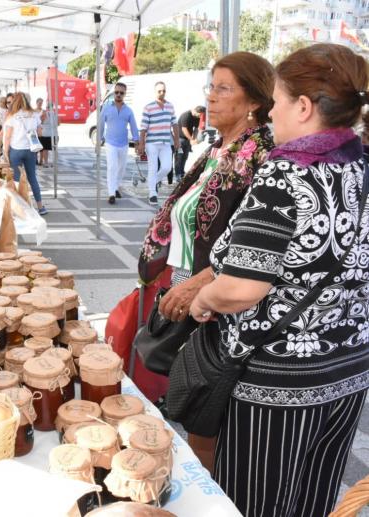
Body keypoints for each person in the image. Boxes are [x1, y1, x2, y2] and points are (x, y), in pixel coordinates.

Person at [189, 43, 369, 517]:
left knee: (253, 503)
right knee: (313, 499)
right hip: (349, 370)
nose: (272, 115)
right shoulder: (362, 166)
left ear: (304, 107)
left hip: (277, 380)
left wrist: (204, 296)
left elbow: (241, 288)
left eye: (279, 102)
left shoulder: (287, 173)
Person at [137, 52, 276, 468]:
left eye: (223, 88)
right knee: (189, 399)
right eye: (210, 87)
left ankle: (213, 496)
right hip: (188, 281)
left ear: (253, 100)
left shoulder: (259, 154)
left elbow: (250, 239)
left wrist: (200, 284)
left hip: (219, 298)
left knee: (205, 414)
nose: (210, 98)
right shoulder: (217, 148)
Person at [3, 92, 47, 215]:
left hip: (15, 150)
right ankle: (41, 206)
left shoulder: (12, 116)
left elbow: (7, 137)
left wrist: (5, 152)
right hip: (30, 151)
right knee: (32, 178)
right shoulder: (34, 115)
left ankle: (19, 208)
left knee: (16, 179)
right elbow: (40, 134)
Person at [138, 82, 178, 204]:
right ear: (155, 92)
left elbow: (175, 124)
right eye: (159, 91)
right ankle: (152, 193)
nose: (162, 93)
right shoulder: (148, 107)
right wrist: (141, 144)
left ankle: (154, 182)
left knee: (167, 167)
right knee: (153, 167)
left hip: (166, 142)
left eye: (164, 91)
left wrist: (177, 140)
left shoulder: (170, 106)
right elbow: (143, 127)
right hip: (151, 143)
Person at [99, 82, 139, 204]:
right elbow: (100, 124)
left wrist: (137, 141)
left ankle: (116, 187)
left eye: (121, 93)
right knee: (112, 167)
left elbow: (133, 126)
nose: (118, 95)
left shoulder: (128, 110)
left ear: (124, 94)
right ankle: (111, 193)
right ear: (113, 93)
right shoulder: (106, 108)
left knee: (121, 168)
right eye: (116, 92)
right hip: (110, 143)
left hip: (124, 144)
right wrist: (99, 139)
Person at [172, 105, 205, 183]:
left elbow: (196, 129)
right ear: (196, 111)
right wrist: (191, 139)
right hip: (179, 140)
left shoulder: (196, 117)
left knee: (185, 157)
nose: (200, 116)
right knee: (179, 157)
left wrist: (194, 138)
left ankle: (182, 173)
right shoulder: (186, 115)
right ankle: (177, 175)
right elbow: (184, 129)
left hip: (187, 140)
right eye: (200, 114)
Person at [39, 101, 59, 169]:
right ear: (52, 107)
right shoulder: (56, 114)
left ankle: (46, 163)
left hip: (46, 134)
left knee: (45, 149)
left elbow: (40, 121)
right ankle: (54, 163)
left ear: (47, 107)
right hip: (55, 134)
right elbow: (59, 123)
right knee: (54, 148)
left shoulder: (44, 113)